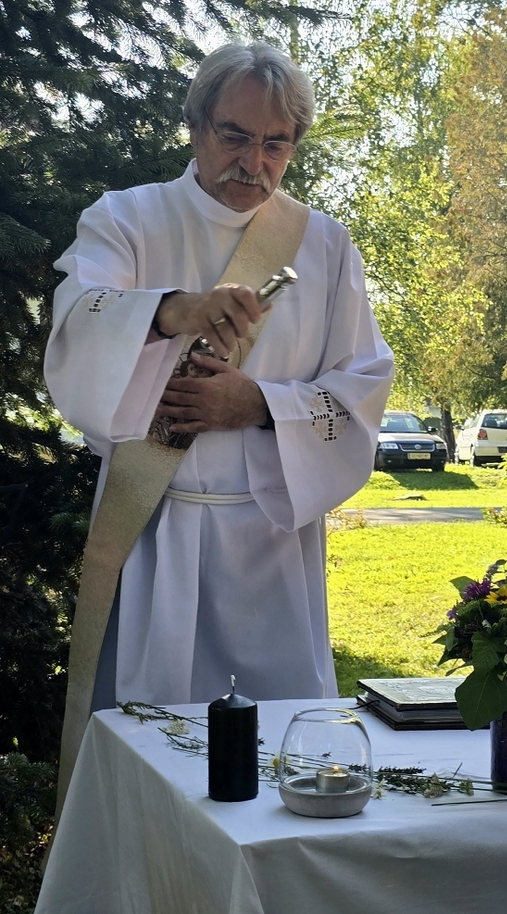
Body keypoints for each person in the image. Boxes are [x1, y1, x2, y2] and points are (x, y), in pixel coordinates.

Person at [45, 42, 394, 726]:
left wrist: (258, 404)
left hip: (273, 545)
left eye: (276, 144)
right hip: (155, 529)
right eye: (234, 136)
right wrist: (172, 311)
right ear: (196, 126)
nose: (254, 162)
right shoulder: (126, 219)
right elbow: (79, 320)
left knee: (282, 745)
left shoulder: (324, 245)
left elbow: (363, 387)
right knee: (153, 737)